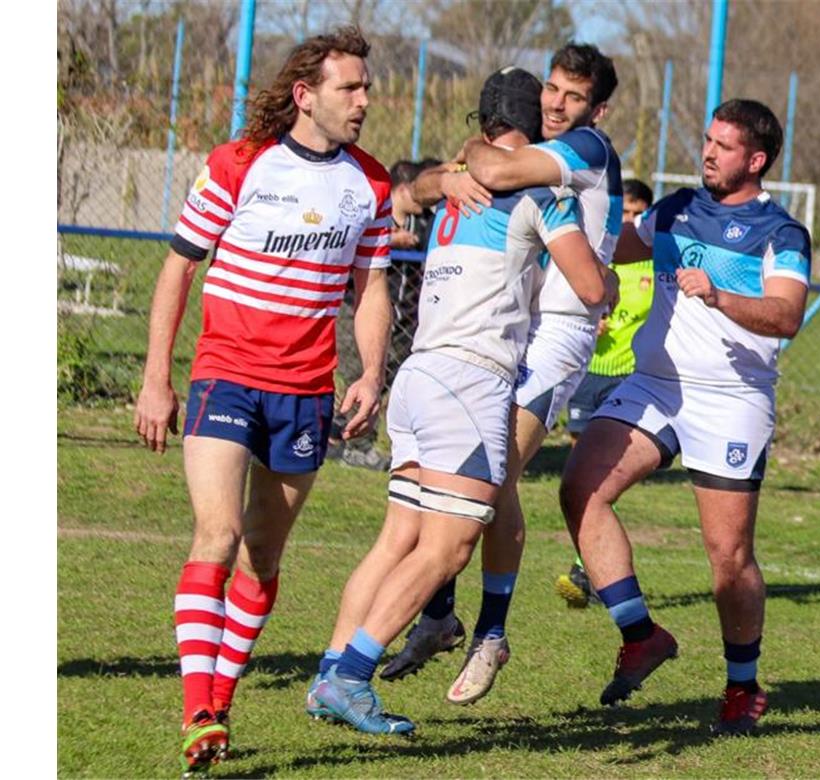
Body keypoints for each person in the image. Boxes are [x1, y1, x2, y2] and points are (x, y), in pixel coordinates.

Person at [307, 66, 611, 735]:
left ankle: (329, 667)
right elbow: (591, 288)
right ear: (537, 130)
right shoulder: (538, 196)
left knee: (398, 540)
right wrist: (611, 280)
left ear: (481, 124)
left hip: (417, 379)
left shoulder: (451, 189)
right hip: (471, 382)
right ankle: (350, 677)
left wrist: (442, 175)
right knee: (446, 551)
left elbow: (406, 189)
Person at [131, 27, 394, 776]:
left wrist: (371, 371)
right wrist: (157, 376)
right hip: (225, 375)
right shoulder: (239, 164)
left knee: (263, 551)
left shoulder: (369, 185)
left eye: (367, 87)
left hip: (306, 391)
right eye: (351, 88)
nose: (365, 101)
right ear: (306, 95)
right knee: (214, 534)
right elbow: (180, 268)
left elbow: (369, 287)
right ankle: (198, 711)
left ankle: (221, 703)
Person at [375, 43, 624, 705]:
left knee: (495, 472)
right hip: (520, 326)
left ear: (597, 110)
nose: (555, 103)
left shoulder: (585, 147)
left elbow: (487, 162)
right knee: (475, 473)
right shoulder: (547, 155)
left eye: (572, 97)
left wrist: (472, 151)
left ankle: (485, 631)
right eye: (551, 89)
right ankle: (443, 618)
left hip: (559, 333)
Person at [559, 98, 811, 735]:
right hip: (655, 385)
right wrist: (570, 211)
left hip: (732, 399)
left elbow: (786, 315)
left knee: (728, 558)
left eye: (723, 147)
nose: (708, 153)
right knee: (581, 489)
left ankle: (742, 685)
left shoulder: (781, 233)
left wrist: (721, 294)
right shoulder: (672, 208)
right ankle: (640, 634)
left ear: (755, 160)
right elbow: (615, 249)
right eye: (707, 140)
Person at [556, 178, 656, 608]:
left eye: (639, 214)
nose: (631, 221)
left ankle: (587, 568)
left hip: (629, 377)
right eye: (625, 214)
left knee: (601, 478)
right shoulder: (597, 259)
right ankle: (591, 567)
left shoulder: (652, 266)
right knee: (582, 469)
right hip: (590, 371)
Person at [328, 158, 438, 471]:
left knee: (384, 380)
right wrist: (389, 241)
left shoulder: (424, 223)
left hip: (403, 322)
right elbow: (349, 245)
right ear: (404, 190)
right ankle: (359, 449)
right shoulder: (373, 215)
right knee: (359, 375)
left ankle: (338, 433)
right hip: (359, 314)